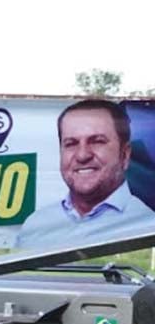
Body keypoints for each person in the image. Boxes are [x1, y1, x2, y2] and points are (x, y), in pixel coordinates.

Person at [15, 98, 155, 250]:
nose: (82, 155)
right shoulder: (35, 226)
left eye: (97, 141)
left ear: (125, 155)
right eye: (71, 144)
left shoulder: (148, 226)